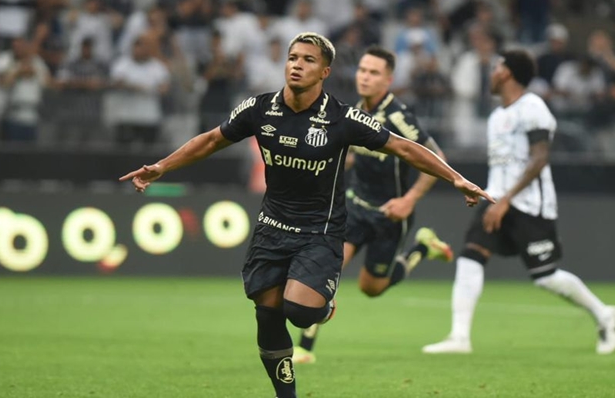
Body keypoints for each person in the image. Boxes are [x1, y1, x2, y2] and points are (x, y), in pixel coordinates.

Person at [120, 33, 493, 398]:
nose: (297, 65)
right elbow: (212, 139)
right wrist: (162, 167)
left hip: (321, 232)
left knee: (299, 311)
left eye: (308, 60)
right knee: (267, 313)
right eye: (293, 57)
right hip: (271, 229)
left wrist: (456, 178)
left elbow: (403, 147)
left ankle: (323, 303)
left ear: (325, 72)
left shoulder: (343, 118)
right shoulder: (259, 109)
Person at [422, 50, 615, 356]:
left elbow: (540, 158)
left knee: (546, 278)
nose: (492, 72)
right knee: (469, 258)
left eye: (497, 66)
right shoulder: (498, 115)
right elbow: (503, 164)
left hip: (530, 205)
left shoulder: (533, 107)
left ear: (508, 73)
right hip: (497, 198)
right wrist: (487, 193)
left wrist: (507, 200)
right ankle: (459, 337)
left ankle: (603, 313)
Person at [292, 46, 455, 365]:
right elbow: (352, 155)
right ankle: (305, 349)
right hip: (354, 208)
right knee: (328, 268)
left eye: (373, 73)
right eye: (362, 70)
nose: (364, 77)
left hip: (388, 216)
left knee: (372, 287)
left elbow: (438, 160)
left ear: (388, 80)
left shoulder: (398, 117)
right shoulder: (355, 111)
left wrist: (408, 200)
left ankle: (422, 248)